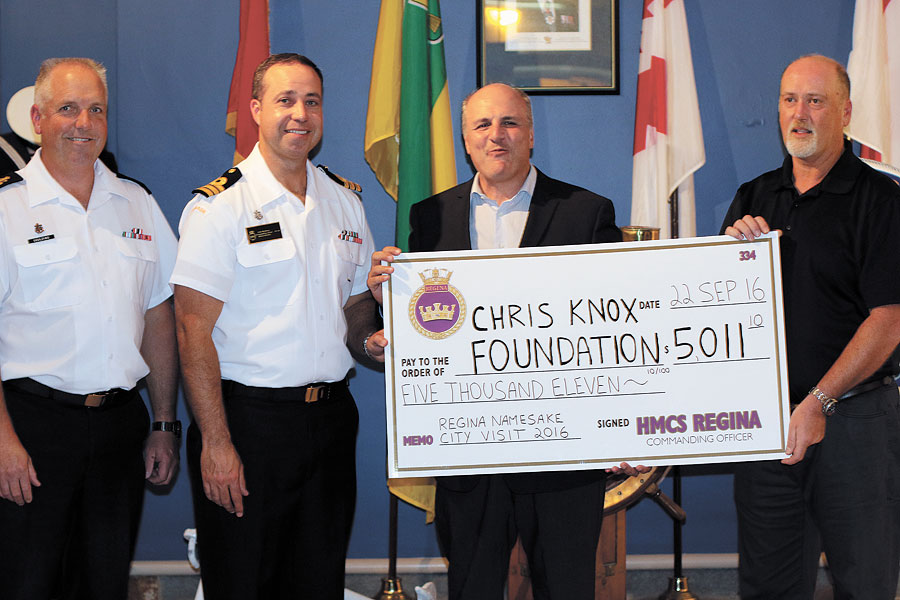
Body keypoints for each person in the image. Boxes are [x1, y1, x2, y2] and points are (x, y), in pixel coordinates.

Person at [366, 83, 637, 600]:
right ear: (465, 141)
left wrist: (619, 425)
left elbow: (614, 330)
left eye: (510, 123)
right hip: (471, 459)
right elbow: (432, 327)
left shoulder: (587, 212)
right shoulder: (430, 217)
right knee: (473, 590)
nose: (497, 136)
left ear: (530, 135)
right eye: (482, 126)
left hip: (563, 457)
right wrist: (389, 307)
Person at [171, 53, 379, 599]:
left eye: (312, 101)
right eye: (285, 100)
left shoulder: (345, 201)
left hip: (332, 419)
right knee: (242, 581)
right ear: (257, 107)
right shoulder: (218, 207)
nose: (300, 114)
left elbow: (356, 303)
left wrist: (374, 341)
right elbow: (192, 330)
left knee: (318, 581)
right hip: (248, 424)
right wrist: (215, 441)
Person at [0, 57, 179, 600]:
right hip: (30, 428)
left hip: (119, 428)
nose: (83, 122)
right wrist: (2, 441)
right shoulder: (6, 207)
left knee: (103, 584)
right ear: (37, 119)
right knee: (26, 584)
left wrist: (165, 423)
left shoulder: (138, 203)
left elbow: (157, 315)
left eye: (95, 109)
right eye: (68, 109)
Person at [722, 54, 900, 599]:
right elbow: (719, 313)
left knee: (864, 584)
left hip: (856, 424)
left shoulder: (883, 200)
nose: (800, 113)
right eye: (789, 100)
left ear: (845, 113)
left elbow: (889, 321)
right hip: (766, 428)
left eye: (816, 101)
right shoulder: (754, 198)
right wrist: (729, 259)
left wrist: (818, 402)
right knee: (767, 586)